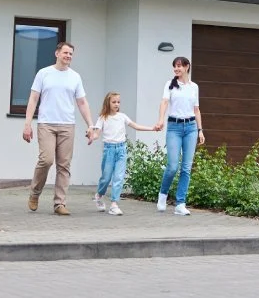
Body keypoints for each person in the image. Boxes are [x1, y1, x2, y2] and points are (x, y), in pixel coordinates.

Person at [20, 41, 95, 216]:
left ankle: (59, 203)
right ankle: (34, 193)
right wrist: (27, 123)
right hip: (46, 123)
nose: (68, 56)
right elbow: (33, 99)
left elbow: (82, 102)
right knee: (46, 160)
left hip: (67, 125)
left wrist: (91, 125)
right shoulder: (44, 73)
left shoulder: (75, 77)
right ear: (57, 53)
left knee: (64, 165)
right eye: (65, 53)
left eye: (71, 54)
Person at [86, 91, 160, 215]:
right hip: (109, 150)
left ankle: (114, 204)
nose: (116, 104)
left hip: (121, 149)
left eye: (118, 102)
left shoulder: (122, 116)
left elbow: (135, 126)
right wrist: (91, 137)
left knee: (119, 177)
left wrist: (152, 128)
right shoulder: (103, 118)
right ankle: (99, 195)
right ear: (108, 103)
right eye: (114, 102)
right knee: (106, 177)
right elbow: (97, 134)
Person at [154, 56, 204, 216]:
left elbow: (196, 110)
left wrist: (200, 130)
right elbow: (164, 103)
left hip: (190, 127)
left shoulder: (194, 87)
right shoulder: (170, 85)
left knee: (186, 168)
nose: (176, 69)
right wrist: (161, 119)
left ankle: (180, 204)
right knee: (172, 166)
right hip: (174, 127)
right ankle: (162, 195)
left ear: (187, 67)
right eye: (175, 66)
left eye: (179, 66)